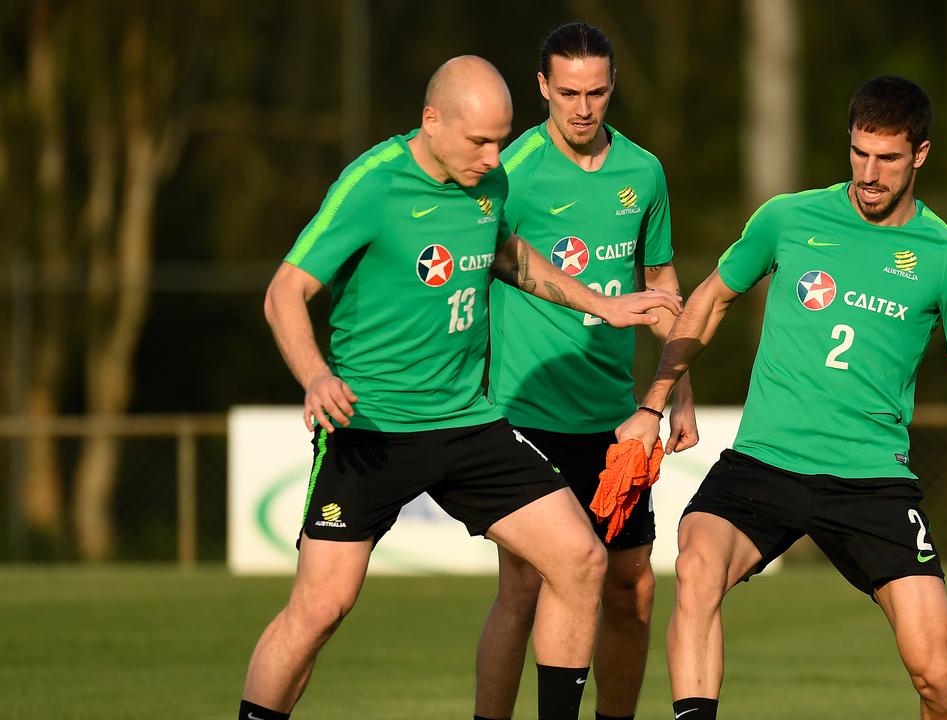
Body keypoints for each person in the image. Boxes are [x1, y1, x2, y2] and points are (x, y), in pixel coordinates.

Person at [236, 55, 681, 720]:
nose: (494, 155)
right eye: (479, 141)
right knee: (321, 608)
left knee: (581, 559)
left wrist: (605, 303)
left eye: (501, 139)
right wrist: (316, 374)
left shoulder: (489, 181)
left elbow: (510, 256)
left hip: (466, 422)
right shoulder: (374, 184)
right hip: (373, 426)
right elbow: (284, 292)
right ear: (431, 121)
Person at [617, 75, 947, 720]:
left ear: (921, 155)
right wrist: (653, 401)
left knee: (936, 675)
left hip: (871, 479)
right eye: (860, 153)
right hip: (766, 462)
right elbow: (711, 300)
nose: (869, 172)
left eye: (887, 159)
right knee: (695, 568)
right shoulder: (788, 218)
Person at [474, 22, 698, 720]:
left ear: (611, 88)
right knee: (525, 587)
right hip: (526, 411)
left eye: (595, 92)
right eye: (567, 91)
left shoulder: (644, 171)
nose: (581, 107)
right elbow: (479, 259)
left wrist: (680, 387)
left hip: (615, 419)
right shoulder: (512, 172)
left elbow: (660, 281)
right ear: (542, 87)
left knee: (632, 593)